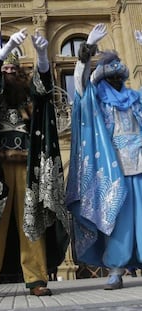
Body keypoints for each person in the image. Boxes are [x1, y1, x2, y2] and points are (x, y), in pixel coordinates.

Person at [0, 28, 70, 299]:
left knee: (31, 221)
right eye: (4, 67)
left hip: (28, 168)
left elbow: (43, 91)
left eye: (12, 68)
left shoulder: (29, 97)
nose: (7, 71)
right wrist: (3, 51)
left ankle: (36, 278)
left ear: (19, 73)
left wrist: (43, 57)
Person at [66, 24, 142, 290]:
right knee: (118, 223)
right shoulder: (95, 100)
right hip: (114, 170)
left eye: (118, 75)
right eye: (110, 77)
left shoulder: (135, 98)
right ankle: (116, 269)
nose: (115, 81)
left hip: (141, 166)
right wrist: (87, 49)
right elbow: (78, 84)